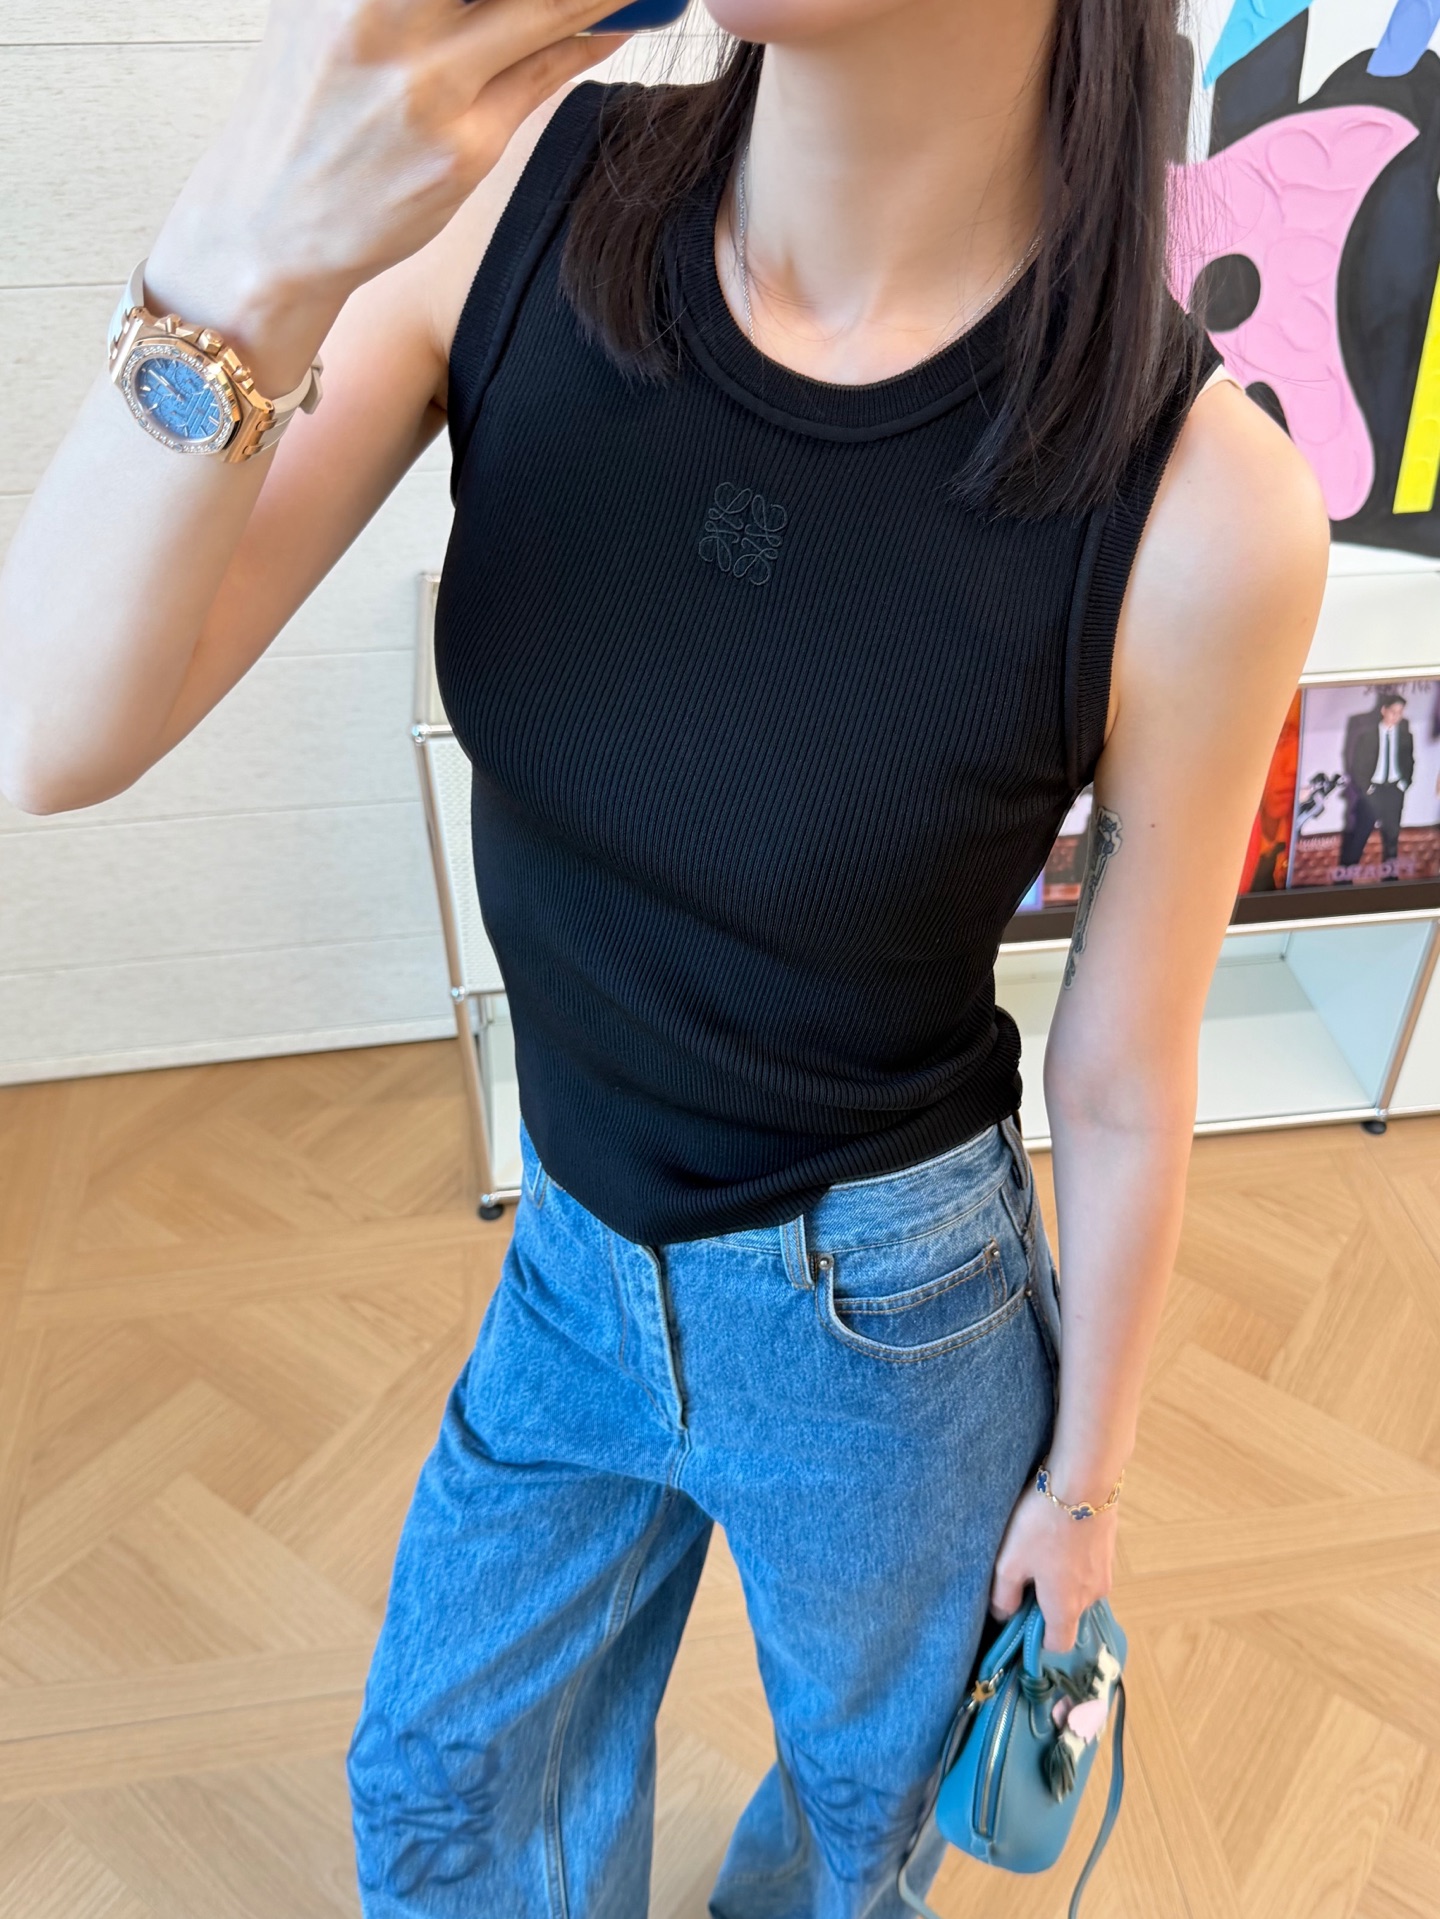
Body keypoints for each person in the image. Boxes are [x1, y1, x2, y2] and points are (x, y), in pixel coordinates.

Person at [0, 1, 1329, 1913]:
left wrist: (1085, 1490)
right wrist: (244, 242)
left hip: (885, 1323)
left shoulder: (1202, 503)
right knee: (448, 1794)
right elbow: (50, 732)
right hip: (571, 1251)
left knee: (858, 1827)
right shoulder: (514, 216)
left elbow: (1123, 1073)